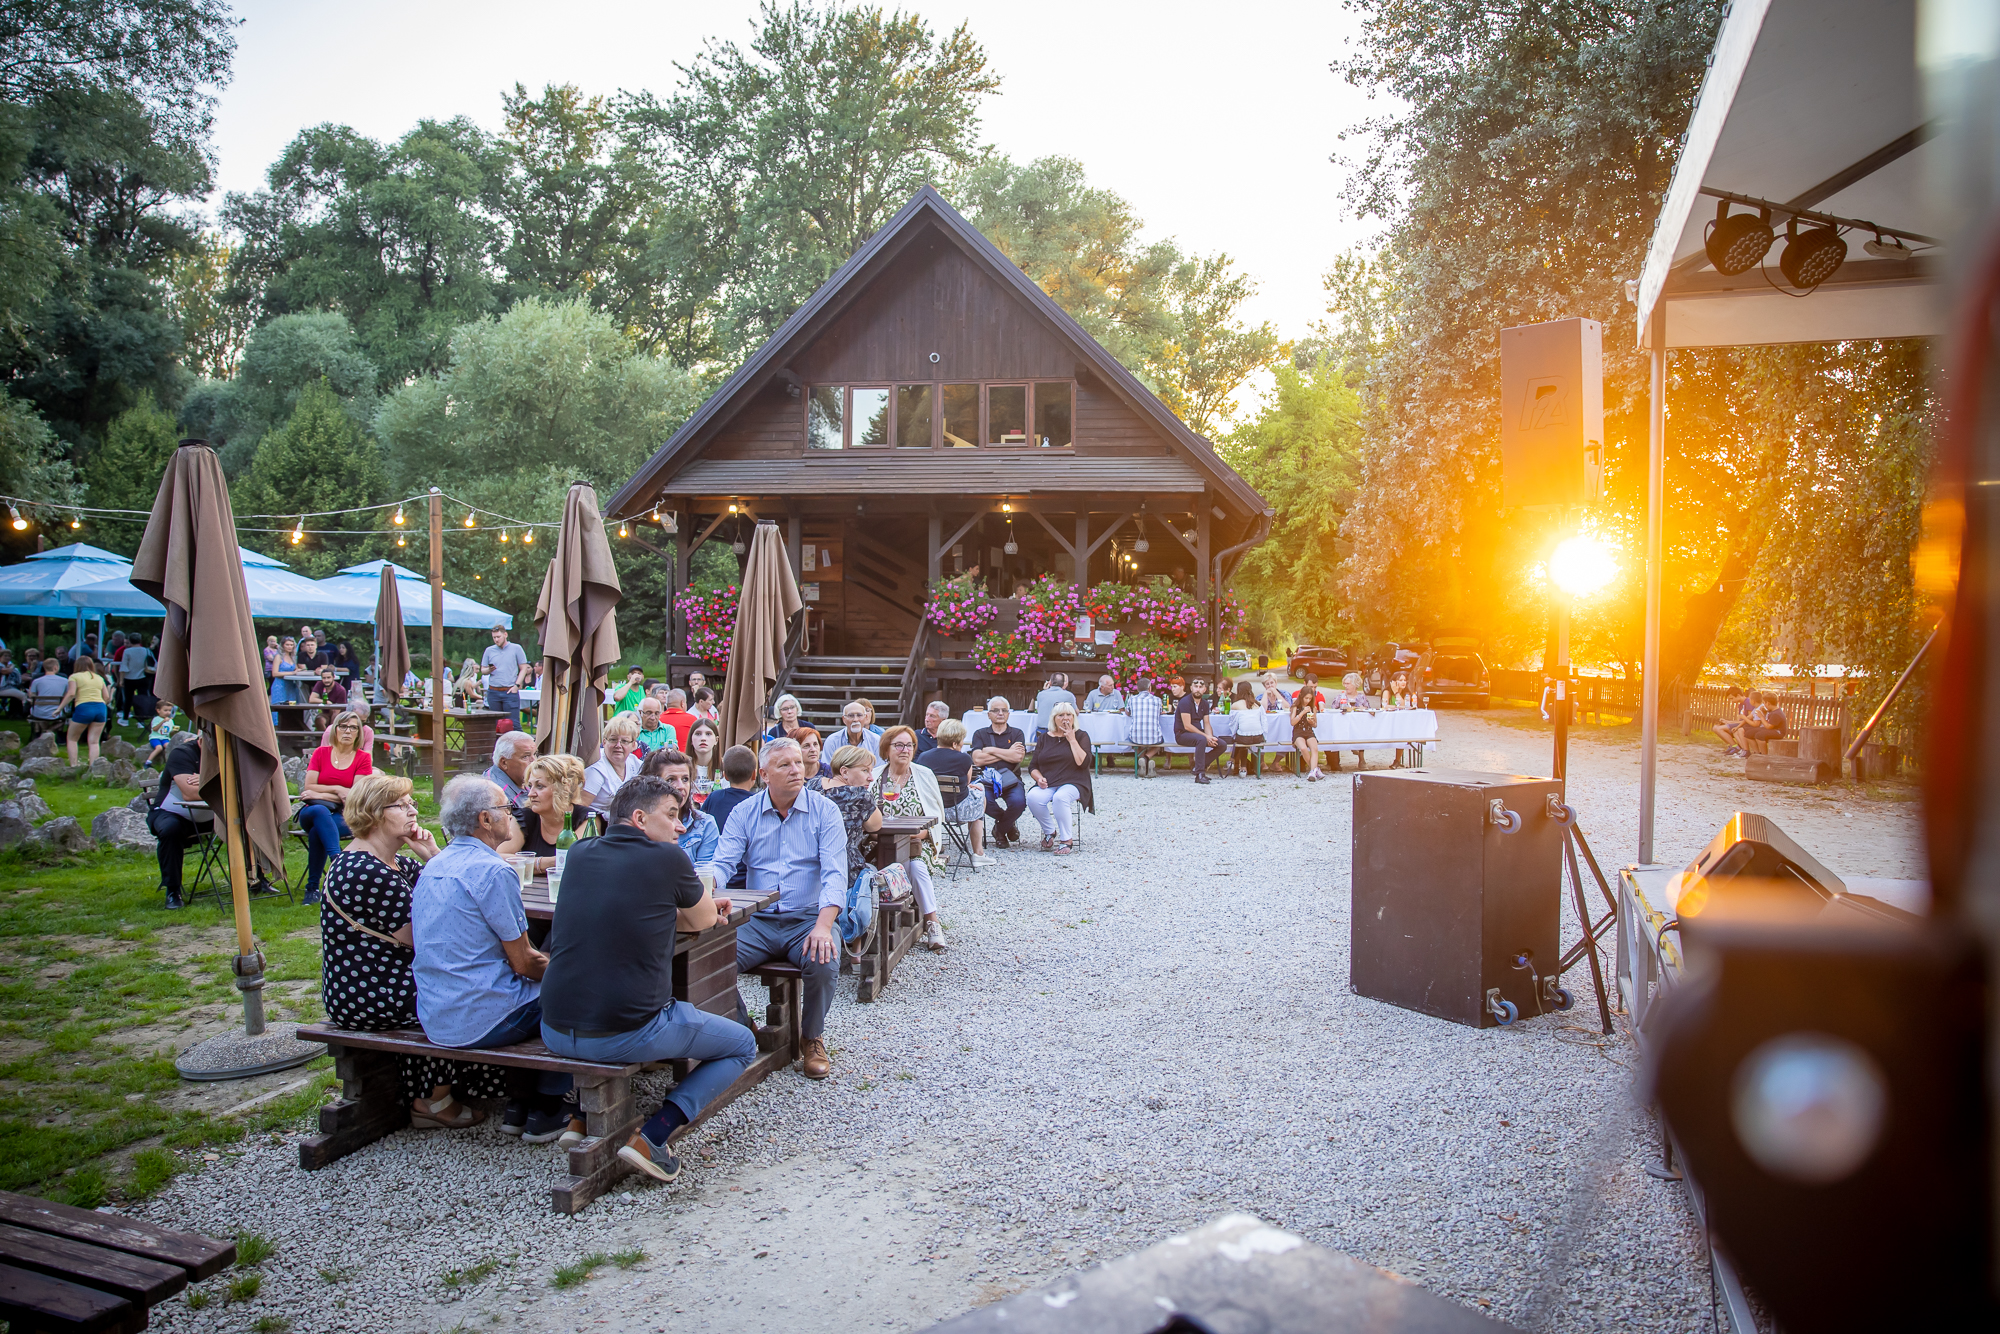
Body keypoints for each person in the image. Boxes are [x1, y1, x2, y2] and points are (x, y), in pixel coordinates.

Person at [540, 776, 753, 1183]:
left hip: (553, 1026)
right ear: (639, 818)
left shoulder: (581, 851)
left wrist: (670, 908)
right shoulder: (668, 860)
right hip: (621, 1033)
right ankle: (653, 1138)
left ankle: (581, 1118)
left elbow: (625, 905)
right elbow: (707, 920)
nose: (681, 826)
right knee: (742, 1043)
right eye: (672, 815)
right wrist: (698, 906)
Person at [319, 774, 506, 1130]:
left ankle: (457, 1087)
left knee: (467, 982)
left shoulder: (397, 864)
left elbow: (452, 890)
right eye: (401, 805)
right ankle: (432, 1099)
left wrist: (433, 853)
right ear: (374, 813)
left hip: (389, 979)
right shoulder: (365, 871)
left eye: (412, 803)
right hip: (366, 990)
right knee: (454, 993)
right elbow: (429, 937)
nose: (412, 811)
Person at [412, 775, 570, 1143]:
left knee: (534, 987)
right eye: (505, 808)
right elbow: (524, 963)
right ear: (485, 819)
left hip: (437, 1012)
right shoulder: (493, 870)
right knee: (575, 993)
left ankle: (519, 1104)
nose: (513, 814)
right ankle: (547, 1107)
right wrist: (572, 973)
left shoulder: (434, 865)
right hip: (480, 1017)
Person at [701, 738, 851, 1081]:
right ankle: (746, 1028)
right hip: (758, 918)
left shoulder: (825, 811)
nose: (796, 770)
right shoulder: (744, 812)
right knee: (708, 961)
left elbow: (835, 875)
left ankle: (812, 1037)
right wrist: (705, 886)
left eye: (798, 762)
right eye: (785, 765)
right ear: (763, 775)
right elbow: (723, 863)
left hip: (808, 917)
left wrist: (824, 926)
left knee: (824, 960)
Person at [874, 726, 947, 949]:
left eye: (909, 745)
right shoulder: (876, 775)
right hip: (879, 844)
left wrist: (918, 832)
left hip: (917, 842)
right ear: (887, 748)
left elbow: (936, 817)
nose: (905, 750)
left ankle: (932, 922)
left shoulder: (923, 775)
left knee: (916, 867)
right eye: (899, 745)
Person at [298, 710, 373, 904]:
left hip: (343, 816)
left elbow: (353, 795)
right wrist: (338, 789)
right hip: (312, 810)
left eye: (353, 727)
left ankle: (312, 889)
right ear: (335, 730)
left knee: (317, 832)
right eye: (343, 726)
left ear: (358, 733)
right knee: (319, 812)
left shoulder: (362, 758)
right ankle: (338, 862)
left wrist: (320, 793)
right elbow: (308, 787)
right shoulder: (321, 753)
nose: (347, 731)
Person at [147, 734, 212, 910]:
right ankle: (172, 890)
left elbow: (247, 784)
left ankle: (256, 878)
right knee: (170, 829)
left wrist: (209, 779)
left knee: (248, 820)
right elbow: (190, 793)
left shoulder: (229, 754)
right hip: (172, 812)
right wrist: (223, 781)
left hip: (213, 814)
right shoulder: (182, 753)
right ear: (202, 738)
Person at [918, 717, 994, 865]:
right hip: (957, 810)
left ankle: (935, 846)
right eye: (961, 741)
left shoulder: (923, 757)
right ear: (954, 743)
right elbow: (967, 782)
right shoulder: (964, 759)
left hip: (931, 810)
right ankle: (978, 853)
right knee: (980, 794)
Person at [497, 754, 584, 873]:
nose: (530, 794)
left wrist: (526, 864)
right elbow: (498, 857)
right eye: (530, 786)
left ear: (564, 788)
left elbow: (574, 860)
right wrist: (544, 863)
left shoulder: (585, 818)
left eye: (540, 786)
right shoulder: (525, 816)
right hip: (530, 890)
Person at [1027, 702, 1093, 854]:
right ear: (1054, 719)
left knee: (1060, 797)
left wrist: (1071, 739)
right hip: (1049, 781)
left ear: (1074, 717)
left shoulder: (1081, 735)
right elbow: (1033, 766)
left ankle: (1066, 840)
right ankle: (1050, 831)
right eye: (1061, 715)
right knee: (1033, 797)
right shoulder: (1044, 738)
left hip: (1074, 781)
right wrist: (1039, 778)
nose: (1065, 718)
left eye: (1069, 714)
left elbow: (1083, 763)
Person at [640, 748, 721, 866]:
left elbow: (704, 874)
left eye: (685, 779)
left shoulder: (705, 824)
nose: (680, 786)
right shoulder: (641, 822)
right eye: (670, 780)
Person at [970, 696, 1029, 846]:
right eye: (996, 710)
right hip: (987, 780)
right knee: (984, 801)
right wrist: (1006, 753)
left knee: (1019, 803)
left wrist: (990, 750)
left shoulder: (1017, 733)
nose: (1000, 713)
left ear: (1009, 714)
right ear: (989, 714)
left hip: (1011, 780)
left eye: (1004, 710)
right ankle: (1007, 825)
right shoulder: (980, 734)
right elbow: (977, 760)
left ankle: (999, 829)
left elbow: (1017, 757)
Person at [700, 745, 760, 893]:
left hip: (718, 877)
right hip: (746, 881)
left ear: (725, 776)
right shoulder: (757, 803)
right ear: (755, 774)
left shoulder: (714, 797)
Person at [580, 713, 643, 816]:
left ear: (634, 745)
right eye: (613, 740)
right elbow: (580, 807)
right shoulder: (596, 768)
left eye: (624, 741)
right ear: (604, 742)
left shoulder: (635, 763)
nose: (618, 745)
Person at [61, 653, 110, 766]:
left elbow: (71, 693)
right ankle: (93, 767)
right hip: (100, 708)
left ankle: (74, 765)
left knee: (72, 738)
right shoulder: (99, 678)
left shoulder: (74, 677)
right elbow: (107, 697)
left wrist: (59, 708)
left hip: (84, 707)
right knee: (94, 741)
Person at [1174, 674, 1221, 785]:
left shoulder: (1204, 703)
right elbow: (1187, 725)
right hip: (1182, 734)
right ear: (1191, 688)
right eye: (1195, 686)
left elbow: (1207, 723)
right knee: (1201, 739)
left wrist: (1210, 737)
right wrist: (1205, 737)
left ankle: (1199, 765)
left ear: (1204, 689)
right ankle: (1200, 774)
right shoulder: (1185, 702)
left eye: (1200, 687)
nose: (1198, 689)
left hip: (1198, 734)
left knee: (1221, 744)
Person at [479, 623, 529, 727]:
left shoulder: (516, 648)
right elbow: (482, 670)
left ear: (505, 635)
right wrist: (488, 669)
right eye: (494, 637)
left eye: (498, 637)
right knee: (496, 724)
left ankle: (521, 743)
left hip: (510, 690)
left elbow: (523, 668)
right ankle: (499, 743)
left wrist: (517, 685)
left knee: (513, 724)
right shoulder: (489, 650)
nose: (496, 640)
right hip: (493, 691)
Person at [485, 729, 536, 806]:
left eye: (535, 754)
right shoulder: (498, 797)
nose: (534, 761)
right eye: (525, 756)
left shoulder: (520, 779)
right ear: (504, 763)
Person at [1128, 679, 1165, 777]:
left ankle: (1143, 759)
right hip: (1154, 737)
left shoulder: (1132, 699)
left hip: (1135, 736)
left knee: (1134, 741)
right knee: (1161, 743)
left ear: (1137, 688)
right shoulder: (1157, 700)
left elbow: (1127, 712)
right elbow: (1161, 712)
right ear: (1150, 688)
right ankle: (1147, 758)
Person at [1228, 681, 1265, 778]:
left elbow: (1233, 724)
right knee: (1242, 736)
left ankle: (1235, 762)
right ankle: (1242, 767)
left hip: (1244, 738)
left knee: (1239, 737)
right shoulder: (1257, 704)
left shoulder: (1236, 705)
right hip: (1258, 737)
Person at [1291, 673, 1325, 781]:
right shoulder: (1296, 707)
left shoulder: (1312, 707)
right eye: (1306, 698)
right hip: (1298, 731)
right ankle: (1315, 770)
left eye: (1310, 699)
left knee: (1314, 748)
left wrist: (1312, 722)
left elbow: (1315, 724)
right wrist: (1301, 714)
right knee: (1303, 748)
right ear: (1301, 697)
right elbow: (1292, 722)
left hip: (1309, 731)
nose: (1307, 701)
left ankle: (1312, 772)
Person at [1715, 687, 1762, 755]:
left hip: (1748, 725)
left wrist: (1730, 723)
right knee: (1716, 727)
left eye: (1732, 698)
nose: (1731, 701)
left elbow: (1749, 719)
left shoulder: (1748, 702)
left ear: (1738, 695)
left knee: (1719, 729)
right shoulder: (1740, 704)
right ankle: (1734, 747)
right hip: (1742, 724)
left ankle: (1736, 748)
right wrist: (1728, 722)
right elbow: (1741, 720)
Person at [117, 635, 153, 722]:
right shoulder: (146, 650)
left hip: (129, 678)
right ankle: (141, 719)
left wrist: (121, 679)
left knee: (128, 699)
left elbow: (124, 666)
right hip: (143, 676)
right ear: (140, 640)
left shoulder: (127, 651)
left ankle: (125, 718)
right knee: (142, 699)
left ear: (130, 641)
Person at [1741, 691, 1789, 755]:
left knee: (1759, 735)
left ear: (1768, 703)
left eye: (1764, 703)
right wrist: (1763, 711)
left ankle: (1764, 755)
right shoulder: (1772, 710)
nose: (1764, 705)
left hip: (1778, 732)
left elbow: (1768, 726)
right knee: (1748, 733)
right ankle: (1757, 753)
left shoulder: (1776, 713)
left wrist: (1761, 716)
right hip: (1772, 730)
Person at [27, 657, 66, 732]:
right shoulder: (65, 681)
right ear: (55, 667)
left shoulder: (36, 681)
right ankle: (49, 732)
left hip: (39, 712)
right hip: (58, 712)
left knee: (38, 711)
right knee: (64, 714)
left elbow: (31, 695)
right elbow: (67, 695)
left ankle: (43, 732)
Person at [686, 718, 722, 802]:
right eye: (698, 734)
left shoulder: (725, 768)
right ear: (691, 739)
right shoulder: (682, 768)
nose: (703, 738)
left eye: (708, 734)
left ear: (716, 740)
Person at [1034, 673, 1076, 737]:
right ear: (1063, 684)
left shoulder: (1041, 694)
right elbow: (1075, 712)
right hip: (1060, 730)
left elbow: (1038, 710)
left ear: (1050, 683)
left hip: (1042, 729)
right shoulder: (1069, 695)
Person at [658, 689, 699, 753]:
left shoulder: (658, 720)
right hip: (686, 758)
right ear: (682, 703)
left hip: (664, 759)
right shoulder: (692, 719)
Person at [145, 700, 177, 766]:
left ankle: (170, 762)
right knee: (159, 748)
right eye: (165, 710)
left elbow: (170, 733)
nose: (168, 712)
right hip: (155, 737)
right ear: (158, 710)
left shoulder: (170, 721)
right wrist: (163, 722)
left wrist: (174, 731)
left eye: (169, 710)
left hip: (165, 738)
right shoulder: (156, 719)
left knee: (168, 747)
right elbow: (154, 729)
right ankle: (148, 761)